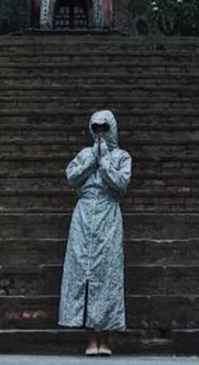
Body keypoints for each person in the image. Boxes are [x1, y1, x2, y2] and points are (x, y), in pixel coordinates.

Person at [59, 110, 131, 356]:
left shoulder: (121, 156)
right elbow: (71, 177)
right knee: (83, 272)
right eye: (96, 128)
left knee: (107, 273)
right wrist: (92, 160)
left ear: (112, 129)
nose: (101, 132)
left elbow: (121, 184)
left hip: (108, 213)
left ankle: (106, 337)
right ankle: (89, 337)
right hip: (84, 214)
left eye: (105, 128)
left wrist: (105, 162)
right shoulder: (84, 154)